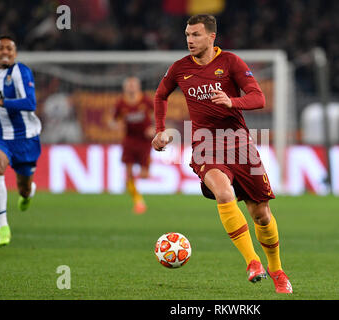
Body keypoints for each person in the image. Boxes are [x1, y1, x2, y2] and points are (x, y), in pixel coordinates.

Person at [152, 15, 293, 294]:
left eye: (195, 35)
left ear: (211, 37)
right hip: (206, 146)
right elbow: (160, 95)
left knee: (261, 214)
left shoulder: (230, 62)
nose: (189, 40)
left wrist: (233, 101)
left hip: (240, 145)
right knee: (224, 193)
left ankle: (277, 270)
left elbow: (259, 98)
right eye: (187, 35)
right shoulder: (180, 68)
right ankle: (252, 262)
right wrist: (160, 130)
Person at [0, 35, 42, 246]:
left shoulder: (21, 71)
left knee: (23, 187)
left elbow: (30, 103)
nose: (5, 52)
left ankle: (28, 193)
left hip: (25, 137)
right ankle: (2, 226)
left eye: (9, 49)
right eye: (1, 48)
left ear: (15, 53)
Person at [112, 76, 154, 214]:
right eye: (129, 85)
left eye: (133, 85)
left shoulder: (146, 100)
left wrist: (154, 128)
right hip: (129, 140)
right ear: (125, 88)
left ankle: (135, 188)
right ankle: (138, 201)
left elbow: (159, 114)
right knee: (129, 174)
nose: (131, 88)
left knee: (144, 175)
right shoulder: (120, 104)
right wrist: (117, 125)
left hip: (144, 141)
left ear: (138, 87)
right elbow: (114, 120)